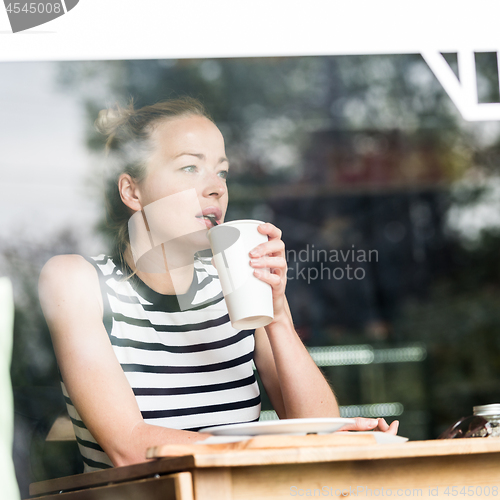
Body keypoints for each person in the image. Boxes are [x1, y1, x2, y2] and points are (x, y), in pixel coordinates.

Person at [39, 97, 398, 473]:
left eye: (222, 172)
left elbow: (319, 433)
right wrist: (277, 448)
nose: (215, 188)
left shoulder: (236, 283)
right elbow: (129, 446)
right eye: (190, 167)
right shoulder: (76, 281)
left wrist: (276, 315)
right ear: (132, 192)